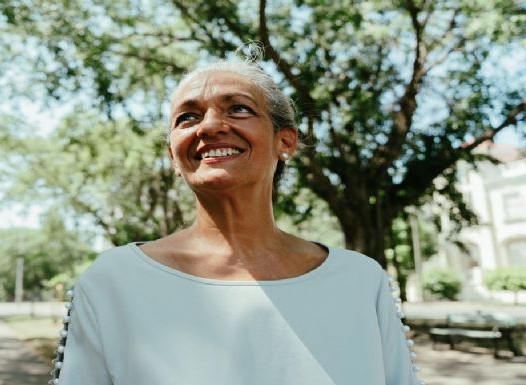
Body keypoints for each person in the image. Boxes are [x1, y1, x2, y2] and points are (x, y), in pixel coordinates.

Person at [50, 55, 425, 385]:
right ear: (173, 158)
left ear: (286, 142)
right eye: (188, 117)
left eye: (238, 109)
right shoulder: (112, 281)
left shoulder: (360, 281)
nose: (209, 127)